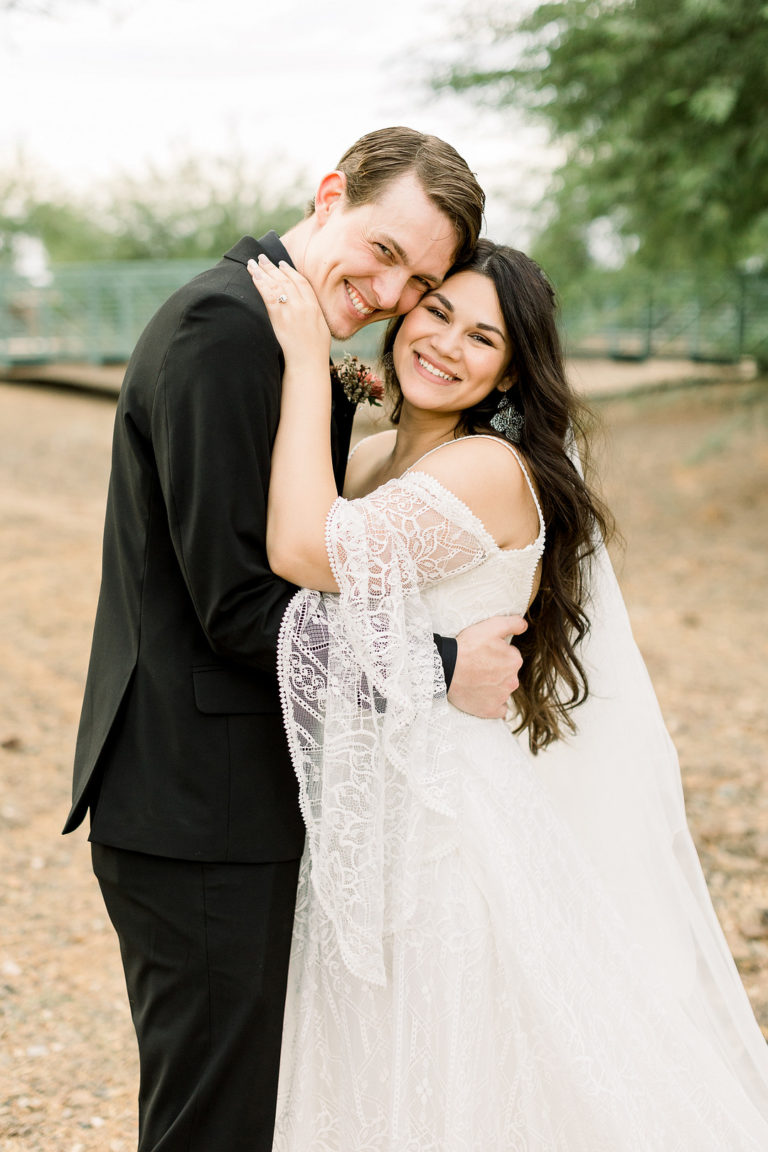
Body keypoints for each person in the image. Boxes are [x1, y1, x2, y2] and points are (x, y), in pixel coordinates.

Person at [63, 128, 529, 1152]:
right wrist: (444, 668)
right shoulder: (224, 335)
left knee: (246, 1110)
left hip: (230, 801)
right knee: (211, 1125)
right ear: (329, 195)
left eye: (421, 278)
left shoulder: (281, 334)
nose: (391, 291)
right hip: (197, 809)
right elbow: (237, 610)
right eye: (383, 250)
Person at [248, 240, 768, 1149]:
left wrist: (300, 360)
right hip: (370, 805)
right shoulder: (370, 461)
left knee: (460, 1071)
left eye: (481, 338)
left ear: (508, 375)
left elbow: (302, 553)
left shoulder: (485, 471)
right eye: (437, 310)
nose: (445, 343)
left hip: (447, 825)